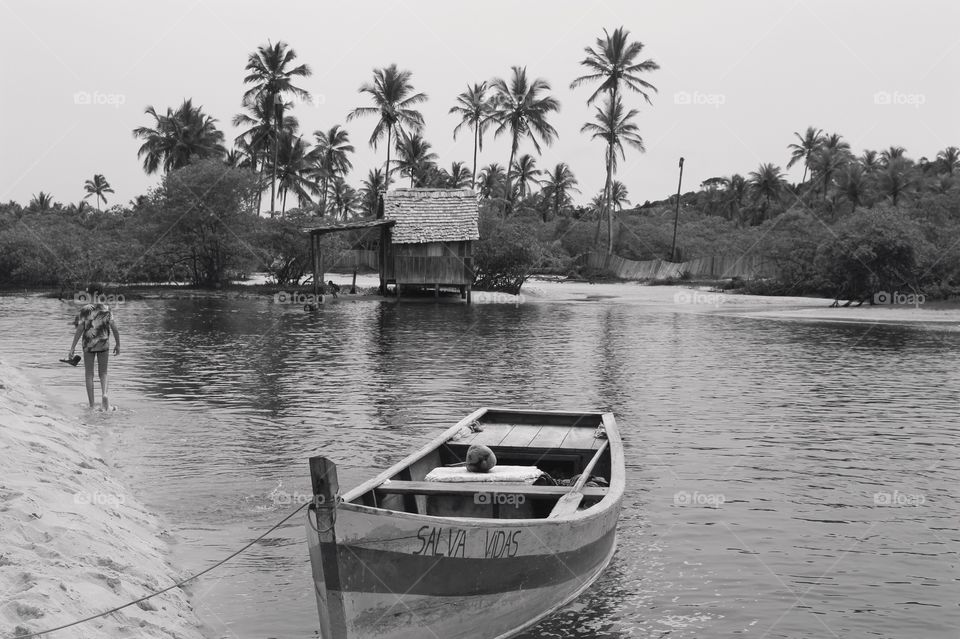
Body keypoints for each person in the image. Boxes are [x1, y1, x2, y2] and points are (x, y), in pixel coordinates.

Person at [68, 284, 120, 410]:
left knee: (89, 374)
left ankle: (91, 406)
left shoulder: (85, 309)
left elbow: (80, 328)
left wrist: (72, 347)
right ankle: (105, 395)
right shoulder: (107, 309)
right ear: (100, 293)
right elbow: (114, 328)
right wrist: (118, 344)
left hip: (88, 345)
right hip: (104, 343)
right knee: (103, 373)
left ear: (89, 294)